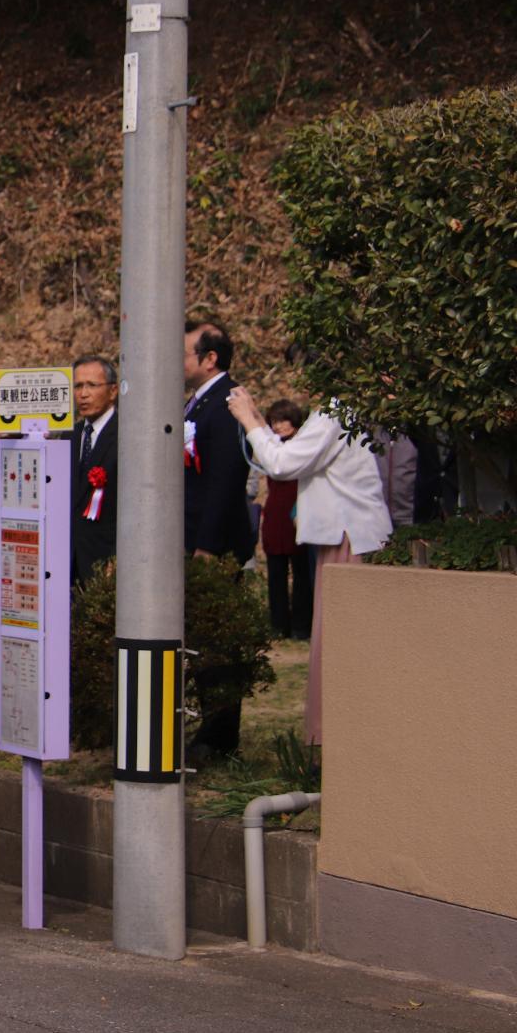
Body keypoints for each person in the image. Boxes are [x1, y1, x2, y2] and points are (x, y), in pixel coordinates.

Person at [228, 385, 393, 746]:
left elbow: (284, 463)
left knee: (338, 649)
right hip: (349, 537)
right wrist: (256, 417)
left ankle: (336, 743)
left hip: (349, 539)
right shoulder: (346, 409)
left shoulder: (338, 411)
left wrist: (246, 418)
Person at [182, 322, 254, 758]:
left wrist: (207, 545)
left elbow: (226, 480)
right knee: (202, 639)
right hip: (193, 539)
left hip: (214, 544)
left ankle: (219, 736)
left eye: (185, 353)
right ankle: (210, 727)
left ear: (209, 358)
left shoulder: (226, 403)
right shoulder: (199, 402)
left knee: (217, 643)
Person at [257, 398, 312, 640]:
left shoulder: (304, 446)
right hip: (275, 514)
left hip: (298, 513)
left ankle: (302, 625)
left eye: (283, 420)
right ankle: (278, 625)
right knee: (276, 574)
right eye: (274, 422)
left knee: (302, 574)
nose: (279, 426)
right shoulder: (271, 447)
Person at [70, 354, 120, 584]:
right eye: (78, 386)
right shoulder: (71, 435)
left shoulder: (126, 434)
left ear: (112, 391)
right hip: (70, 562)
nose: (83, 394)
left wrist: (120, 558)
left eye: (92, 385)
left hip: (108, 561)